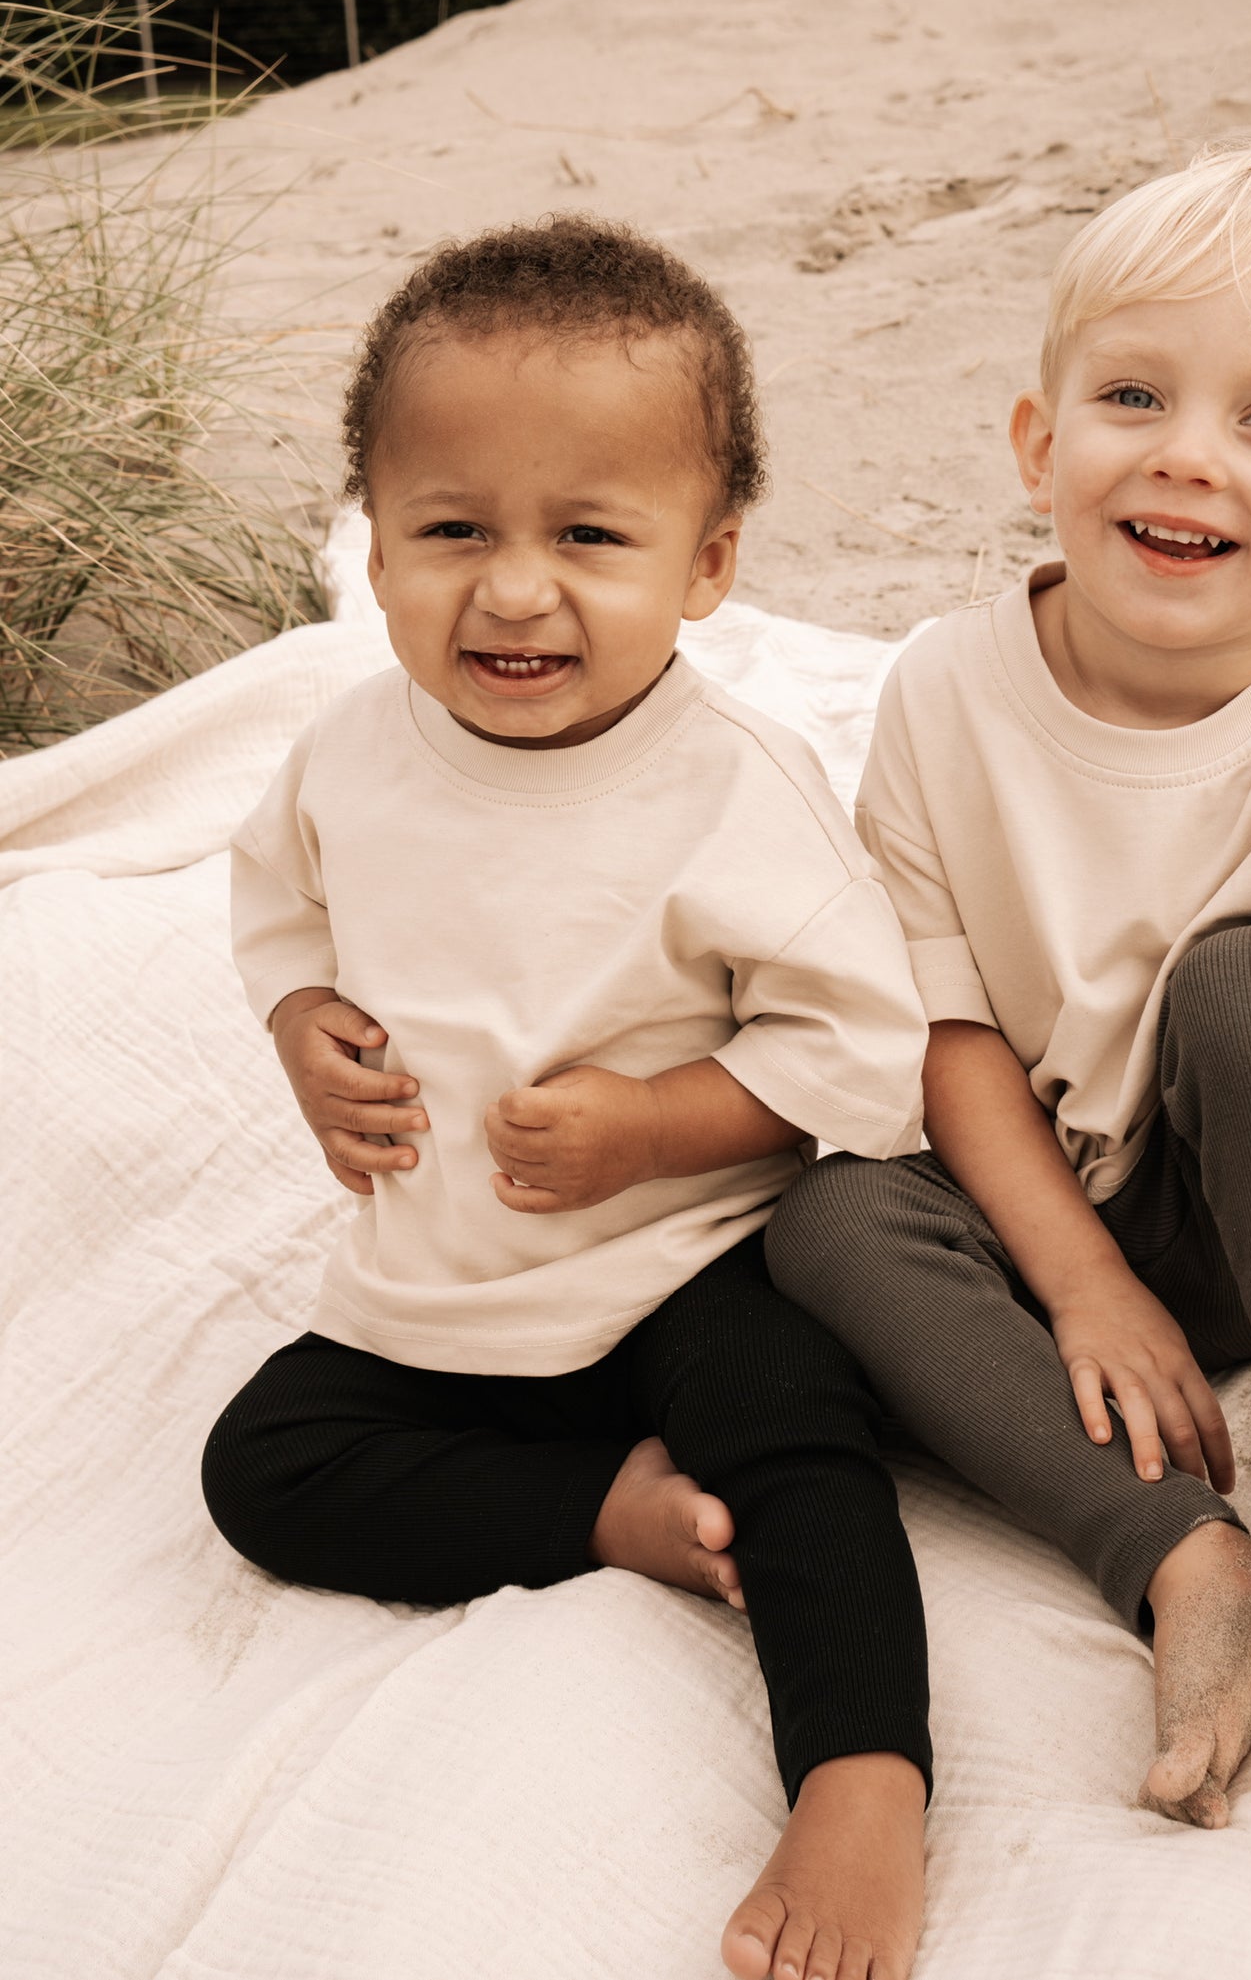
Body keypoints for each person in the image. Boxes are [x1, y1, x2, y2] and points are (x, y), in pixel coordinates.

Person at [201, 219, 933, 1980]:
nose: (515, 590)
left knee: (802, 1443)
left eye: (590, 537)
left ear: (708, 563)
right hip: (439, 1282)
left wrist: (664, 1124)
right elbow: (277, 908)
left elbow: (861, 1052)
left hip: (674, 1263)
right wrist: (306, 1024)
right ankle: (603, 1511)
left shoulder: (733, 786)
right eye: (453, 529)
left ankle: (862, 1775)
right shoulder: (346, 750)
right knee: (265, 1467)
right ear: (370, 545)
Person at [766, 138, 1251, 1829]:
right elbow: (941, 1025)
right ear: (1037, 440)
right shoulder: (942, 689)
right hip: (1033, 1185)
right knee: (827, 1220)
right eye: (1133, 395)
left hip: (1250, 1219)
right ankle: (1194, 1565)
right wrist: (1074, 1281)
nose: (1187, 458)